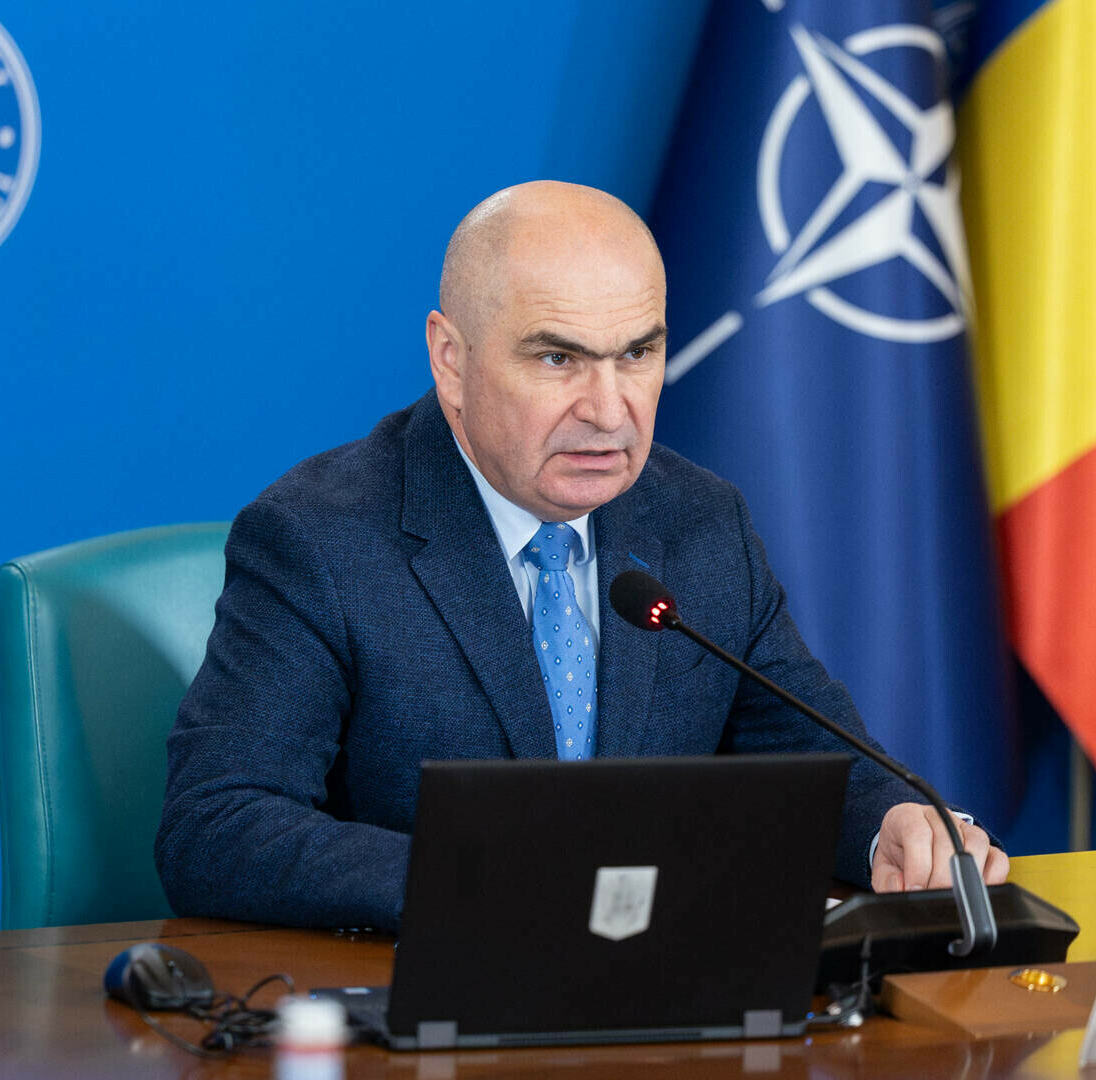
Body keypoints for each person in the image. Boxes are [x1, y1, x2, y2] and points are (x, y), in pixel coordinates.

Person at [156, 181, 1006, 931]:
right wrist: (504, 884)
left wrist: (892, 822)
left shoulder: (699, 522)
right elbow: (218, 824)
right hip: (426, 997)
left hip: (661, 998)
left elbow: (810, 753)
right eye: (558, 358)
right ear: (451, 360)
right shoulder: (319, 539)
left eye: (638, 353)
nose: (609, 409)